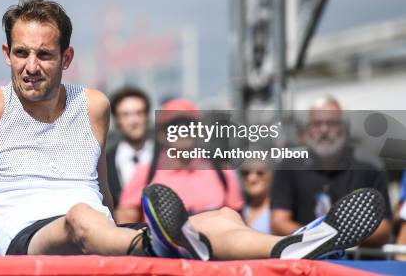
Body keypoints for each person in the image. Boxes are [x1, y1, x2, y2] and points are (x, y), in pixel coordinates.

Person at [0, 0, 385, 260]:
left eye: (45, 55)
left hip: (101, 236)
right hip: (32, 244)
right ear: (7, 54)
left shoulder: (94, 105)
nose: (32, 66)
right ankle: (155, 246)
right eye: (22, 53)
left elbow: (100, 190)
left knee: (224, 214)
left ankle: (289, 244)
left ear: (67, 58)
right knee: (78, 217)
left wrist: (119, 232)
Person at [270, 96, 392, 247]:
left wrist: (338, 239)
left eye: (332, 123)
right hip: (304, 261)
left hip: (356, 263)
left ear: (346, 129)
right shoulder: (288, 165)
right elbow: (278, 222)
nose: (324, 130)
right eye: (316, 124)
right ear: (306, 129)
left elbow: (384, 228)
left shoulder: (369, 166)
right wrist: (318, 240)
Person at [115, 99, 243, 224]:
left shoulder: (221, 171)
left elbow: (238, 217)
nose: (182, 130)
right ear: (162, 134)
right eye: (174, 126)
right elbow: (126, 219)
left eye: (188, 124)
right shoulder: (145, 172)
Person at [106, 87, 155, 207]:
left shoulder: (165, 157)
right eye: (126, 115)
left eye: (139, 113)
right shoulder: (104, 163)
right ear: (117, 120)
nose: (133, 121)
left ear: (147, 116)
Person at [241, 159, 273, 234]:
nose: (251, 179)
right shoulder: (238, 209)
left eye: (260, 173)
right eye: (245, 173)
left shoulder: (279, 212)